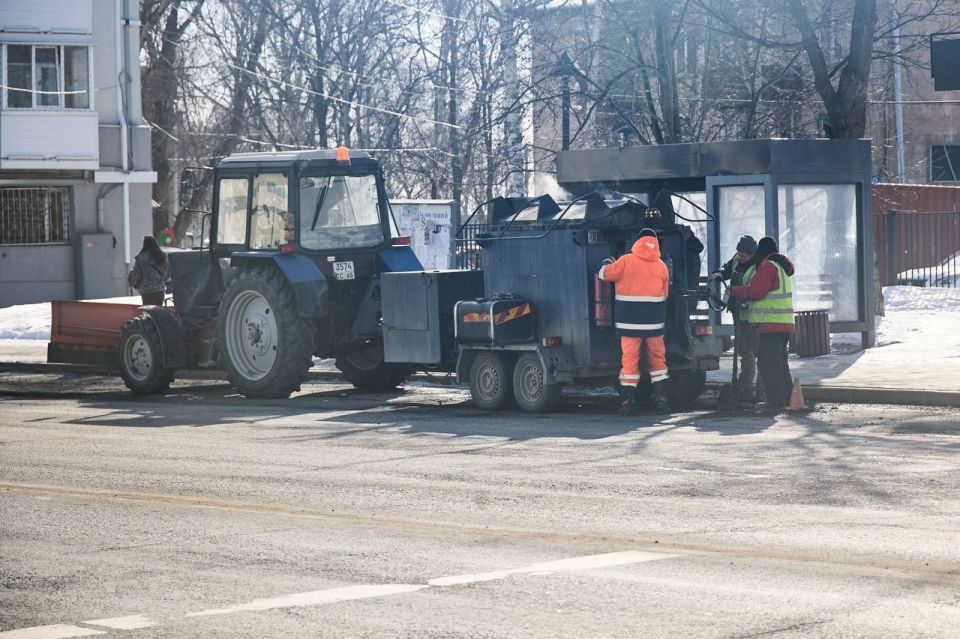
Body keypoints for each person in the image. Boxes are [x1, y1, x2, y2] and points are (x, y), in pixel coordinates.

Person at [599, 228, 671, 414]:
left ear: (637, 242)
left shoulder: (625, 261)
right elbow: (665, 295)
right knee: (658, 360)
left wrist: (607, 262)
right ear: (655, 243)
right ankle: (661, 399)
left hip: (629, 323)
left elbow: (604, 275)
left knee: (630, 361)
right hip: (654, 323)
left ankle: (627, 403)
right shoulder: (661, 266)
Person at [730, 236, 795, 412]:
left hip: (770, 324)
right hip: (784, 323)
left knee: (769, 364)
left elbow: (756, 291)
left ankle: (775, 401)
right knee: (781, 363)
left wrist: (735, 290)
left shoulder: (768, 266)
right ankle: (787, 397)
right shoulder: (781, 267)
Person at [715, 235, 760, 403]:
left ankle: (760, 390)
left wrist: (745, 300)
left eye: (744, 256)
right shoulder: (737, 259)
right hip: (737, 312)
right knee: (744, 352)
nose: (740, 258)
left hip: (753, 315)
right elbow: (727, 269)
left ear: (752, 254)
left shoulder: (758, 267)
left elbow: (756, 290)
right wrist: (719, 273)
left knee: (758, 352)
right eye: (739, 254)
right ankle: (745, 389)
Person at [127, 235, 168, 306]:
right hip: (160, 290)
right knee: (159, 314)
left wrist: (133, 282)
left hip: (147, 291)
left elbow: (136, 274)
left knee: (148, 314)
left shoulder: (140, 258)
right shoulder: (162, 256)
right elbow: (167, 271)